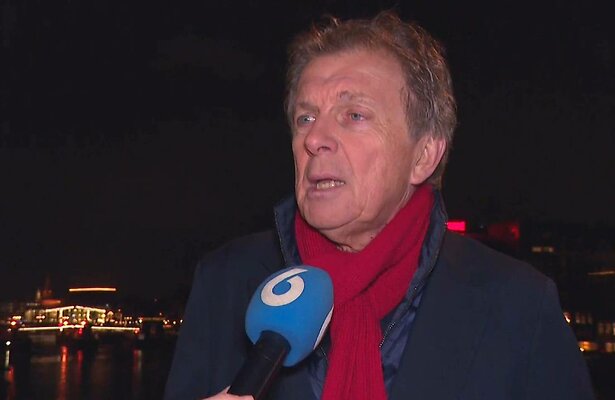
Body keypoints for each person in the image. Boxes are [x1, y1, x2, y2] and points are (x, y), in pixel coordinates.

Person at [164, 10, 595, 400]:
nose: (315, 139)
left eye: (354, 115)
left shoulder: (519, 305)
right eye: (306, 118)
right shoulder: (225, 282)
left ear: (423, 155)